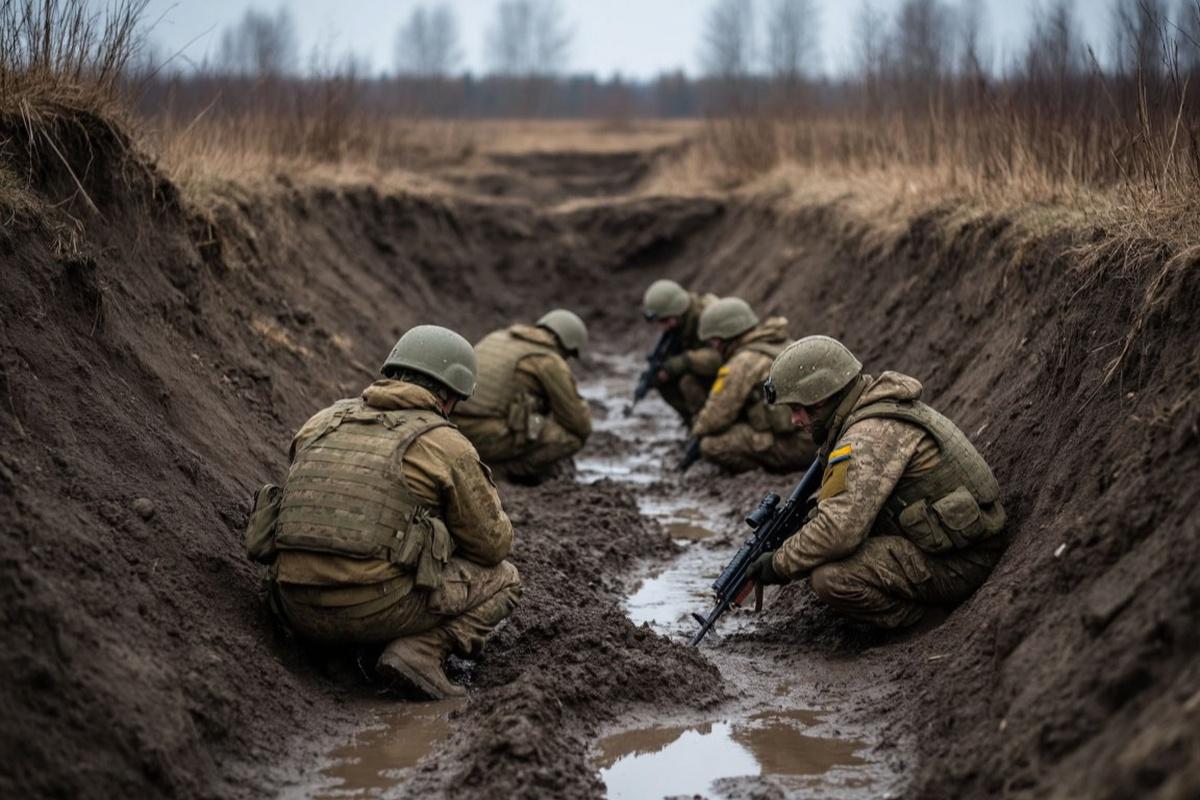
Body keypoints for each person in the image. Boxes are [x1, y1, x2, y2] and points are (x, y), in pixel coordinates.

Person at [258, 325, 521, 699]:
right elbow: (492, 546)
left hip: (292, 605)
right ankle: (420, 652)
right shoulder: (446, 445)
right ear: (450, 394)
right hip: (372, 610)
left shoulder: (321, 422)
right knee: (506, 579)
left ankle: (335, 654)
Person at [746, 335, 1008, 629]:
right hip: (953, 547)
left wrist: (777, 564)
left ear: (818, 398)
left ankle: (927, 623)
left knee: (830, 577)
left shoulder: (868, 435)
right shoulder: (872, 411)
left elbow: (837, 532)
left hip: (965, 562)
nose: (794, 420)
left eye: (796, 408)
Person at [451, 309, 591, 482]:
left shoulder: (497, 337)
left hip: (452, 427)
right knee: (572, 439)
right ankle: (502, 471)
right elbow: (580, 425)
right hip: (486, 434)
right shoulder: (547, 359)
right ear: (568, 345)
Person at [689, 297, 815, 473]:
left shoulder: (743, 362)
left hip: (799, 445)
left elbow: (716, 417)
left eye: (713, 341)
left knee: (710, 445)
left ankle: (763, 472)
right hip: (817, 437)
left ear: (721, 339)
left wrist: (696, 432)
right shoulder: (780, 342)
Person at [638, 279, 722, 424]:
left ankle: (708, 423)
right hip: (705, 371)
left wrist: (683, 362)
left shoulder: (706, 316)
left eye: (665, 320)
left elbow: (720, 357)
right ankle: (692, 422)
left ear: (677, 310)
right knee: (663, 380)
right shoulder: (678, 325)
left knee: (687, 381)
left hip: (726, 375)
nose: (662, 327)